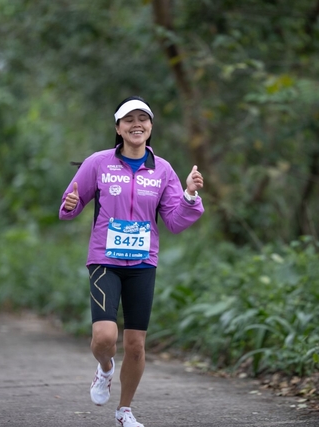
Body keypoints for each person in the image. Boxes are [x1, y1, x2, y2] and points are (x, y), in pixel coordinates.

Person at [59, 96, 204, 427]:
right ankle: (105, 368)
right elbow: (69, 208)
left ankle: (124, 411)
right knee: (105, 338)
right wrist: (69, 204)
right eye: (129, 119)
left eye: (143, 119)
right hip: (105, 261)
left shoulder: (162, 169)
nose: (136, 124)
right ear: (118, 128)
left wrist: (190, 195)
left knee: (136, 345)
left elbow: (175, 221)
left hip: (143, 264)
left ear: (151, 127)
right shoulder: (98, 163)